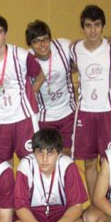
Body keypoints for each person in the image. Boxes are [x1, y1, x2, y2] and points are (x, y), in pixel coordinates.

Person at [0, 13, 45, 164]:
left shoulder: (21, 55)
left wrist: (30, 94)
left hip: (24, 119)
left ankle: (26, 188)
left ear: (5, 33)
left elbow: (40, 75)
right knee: (2, 165)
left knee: (29, 162)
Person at [70, 5, 111, 199]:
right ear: (82, 28)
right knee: (90, 163)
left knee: (110, 162)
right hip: (85, 113)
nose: (93, 30)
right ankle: (95, 206)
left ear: (103, 27)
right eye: (88, 25)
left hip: (109, 113)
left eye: (97, 25)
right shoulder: (74, 49)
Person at [12, 128, 88, 222]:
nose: (44, 159)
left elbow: (77, 206)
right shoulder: (25, 166)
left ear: (59, 153)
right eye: (40, 152)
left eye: (50, 152)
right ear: (33, 152)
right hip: (33, 214)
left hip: (60, 214)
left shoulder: (68, 165)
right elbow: (21, 207)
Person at [25, 20, 77, 156]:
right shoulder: (25, 59)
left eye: (45, 39)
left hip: (68, 112)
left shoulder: (63, 46)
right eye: (36, 41)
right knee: (47, 155)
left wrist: (107, 40)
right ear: (30, 44)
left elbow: (84, 46)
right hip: (45, 116)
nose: (42, 45)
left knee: (66, 154)